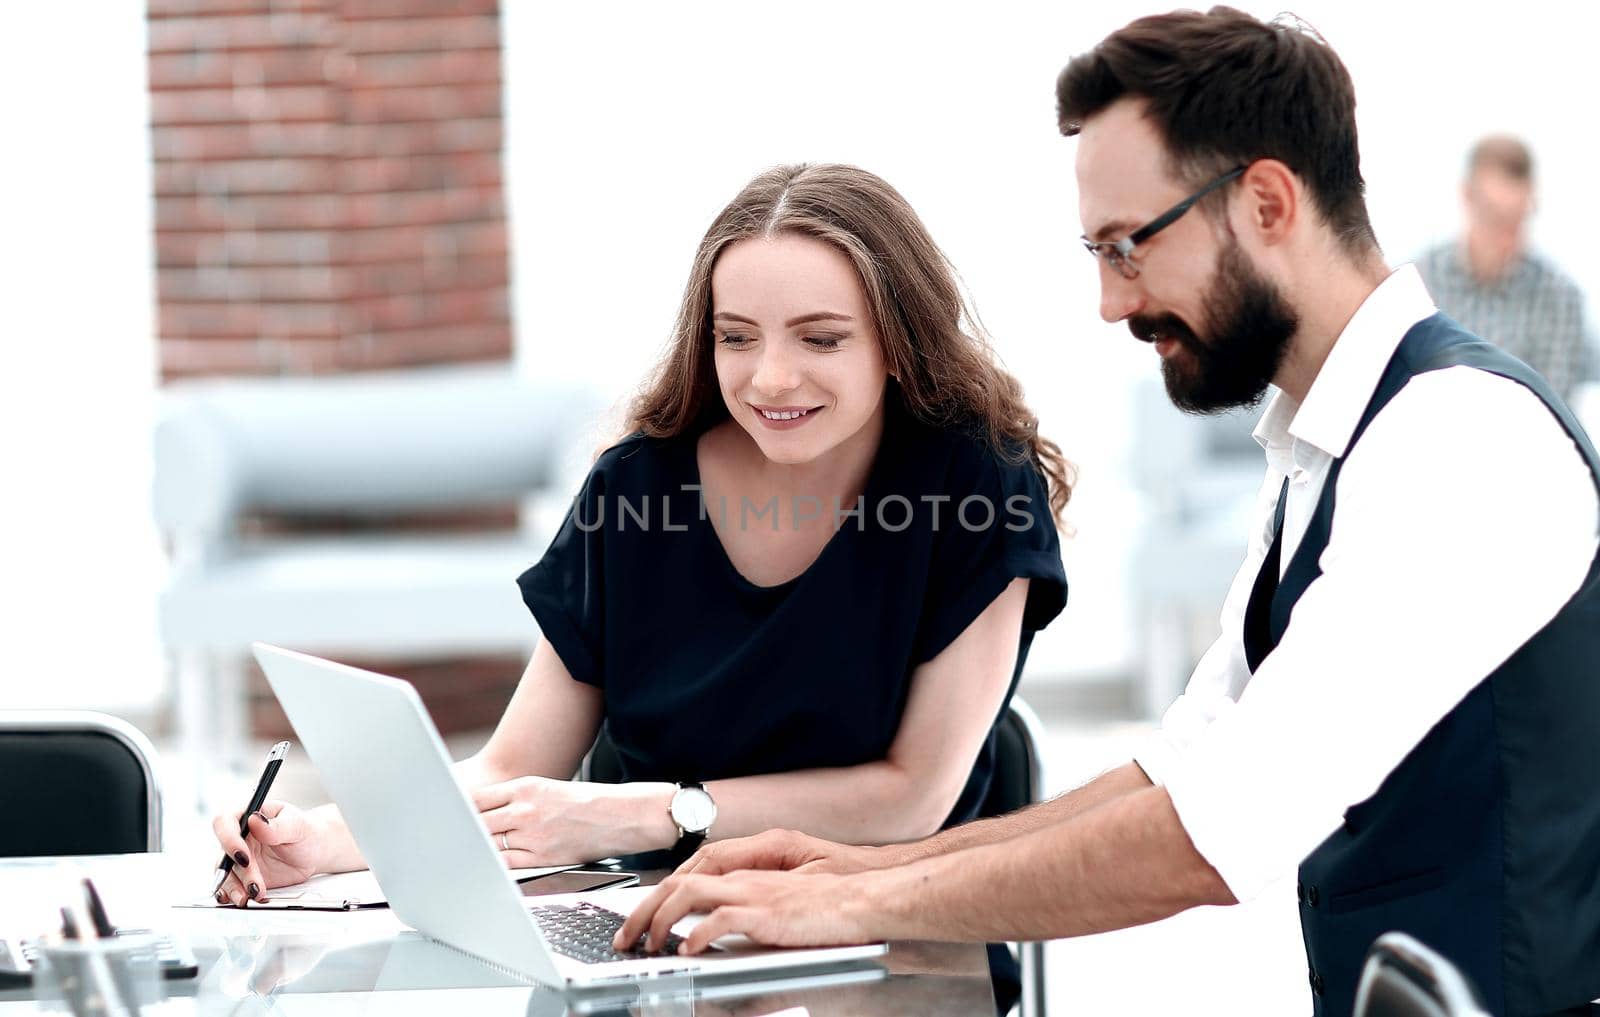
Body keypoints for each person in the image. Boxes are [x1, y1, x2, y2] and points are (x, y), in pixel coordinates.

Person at [616, 10, 1600, 1017]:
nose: (1109, 301)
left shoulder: (1459, 439)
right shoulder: (1323, 442)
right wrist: (841, 871)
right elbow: (1176, 768)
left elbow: (1209, 833)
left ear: (1265, 202)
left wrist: (856, 904)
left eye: (1128, 248)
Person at [209, 163, 1070, 1011]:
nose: (770, 377)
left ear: (898, 338)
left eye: (821, 337)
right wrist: (324, 840)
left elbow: (911, 795)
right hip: (659, 948)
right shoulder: (637, 491)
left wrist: (653, 812)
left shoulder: (976, 489)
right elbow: (515, 767)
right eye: (736, 337)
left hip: (887, 951)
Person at [1417, 134, 1594, 403]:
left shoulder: (1559, 297)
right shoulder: (1422, 283)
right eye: (1495, 217)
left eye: (1517, 218)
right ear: (1467, 197)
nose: (1506, 235)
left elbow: (1551, 410)